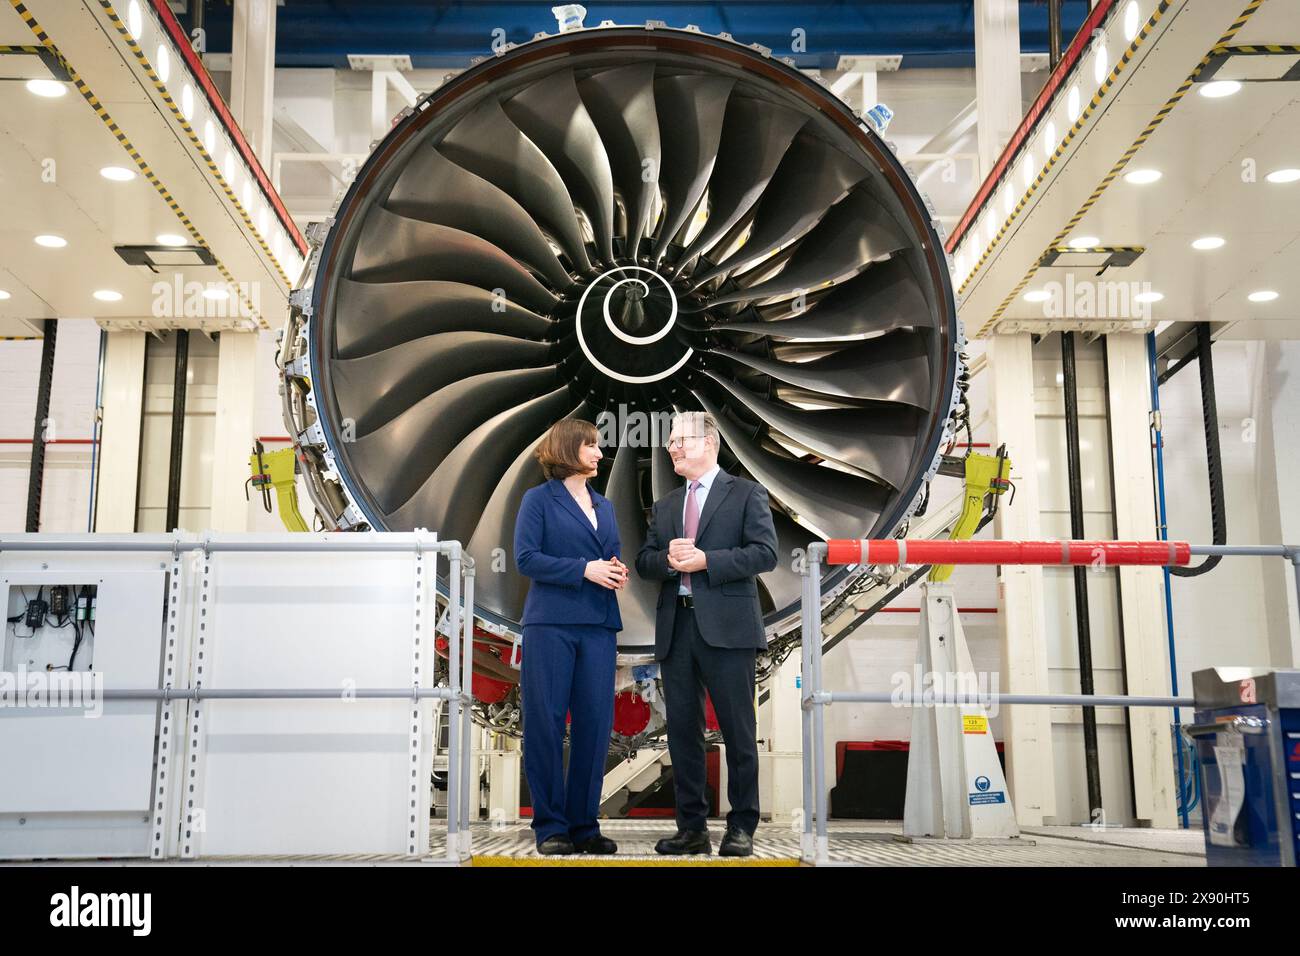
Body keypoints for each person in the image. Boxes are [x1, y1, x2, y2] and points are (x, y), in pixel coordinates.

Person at [635, 411, 778, 856]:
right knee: (682, 731)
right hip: (677, 627)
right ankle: (691, 827)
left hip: (728, 628)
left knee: (738, 729)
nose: (672, 447)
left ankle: (741, 827)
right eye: (671, 442)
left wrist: (707, 562)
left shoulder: (747, 494)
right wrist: (668, 560)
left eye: (681, 440)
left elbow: (765, 554)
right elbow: (644, 562)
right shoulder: (665, 505)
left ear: (709, 443)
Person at [513, 418, 628, 855]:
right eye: (591, 446)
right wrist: (584, 569)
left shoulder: (606, 506)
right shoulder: (538, 500)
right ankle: (550, 827)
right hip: (551, 624)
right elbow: (526, 558)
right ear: (567, 450)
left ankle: (584, 825)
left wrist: (616, 570)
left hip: (598, 624)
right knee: (544, 722)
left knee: (595, 727)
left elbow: (610, 553)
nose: (599, 453)